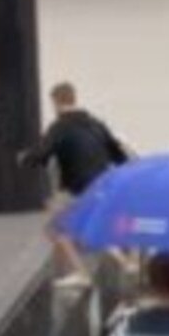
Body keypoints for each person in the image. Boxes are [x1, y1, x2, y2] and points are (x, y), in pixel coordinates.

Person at [19, 82, 129, 287]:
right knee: (93, 226)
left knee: (55, 229)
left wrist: (24, 158)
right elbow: (118, 154)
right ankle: (126, 263)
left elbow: (42, 154)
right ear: (73, 97)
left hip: (78, 187)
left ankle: (80, 274)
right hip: (103, 184)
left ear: (55, 102)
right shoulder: (96, 123)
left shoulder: (60, 126)